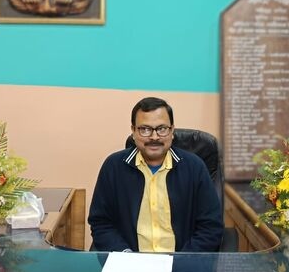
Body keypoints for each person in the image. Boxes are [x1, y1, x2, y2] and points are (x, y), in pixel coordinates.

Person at [88, 97, 224, 252]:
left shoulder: (194, 168)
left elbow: (211, 227)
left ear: (172, 131)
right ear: (133, 131)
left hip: (183, 263)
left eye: (162, 129)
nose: (154, 137)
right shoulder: (113, 167)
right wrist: (125, 256)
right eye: (145, 129)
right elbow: (101, 223)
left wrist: (183, 260)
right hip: (130, 262)